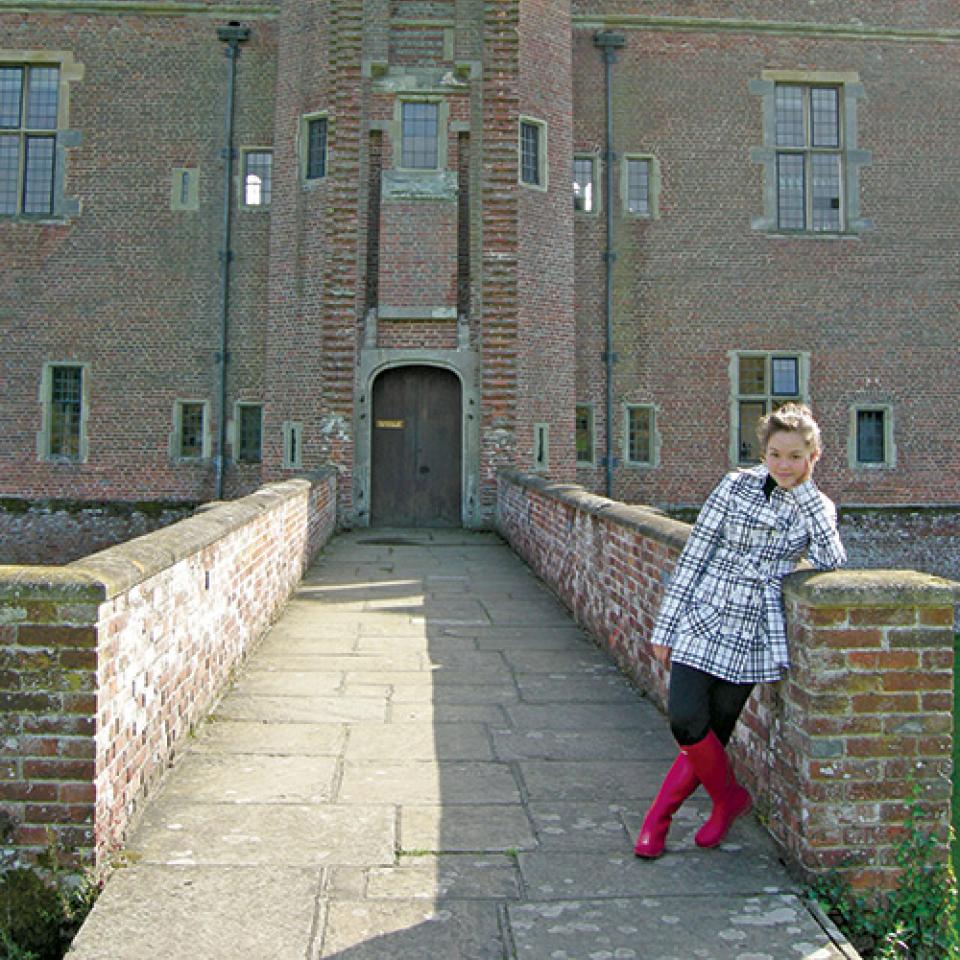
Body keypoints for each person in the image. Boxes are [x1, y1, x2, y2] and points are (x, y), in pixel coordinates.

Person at [634, 403, 846, 859]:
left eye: (795, 455)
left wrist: (806, 493)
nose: (783, 465)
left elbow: (831, 560)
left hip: (754, 626)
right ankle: (721, 799)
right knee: (686, 719)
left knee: (718, 727)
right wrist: (666, 625)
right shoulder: (735, 485)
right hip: (706, 611)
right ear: (763, 452)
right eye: (775, 454)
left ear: (814, 455)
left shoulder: (818, 506)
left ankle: (666, 822)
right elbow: (695, 555)